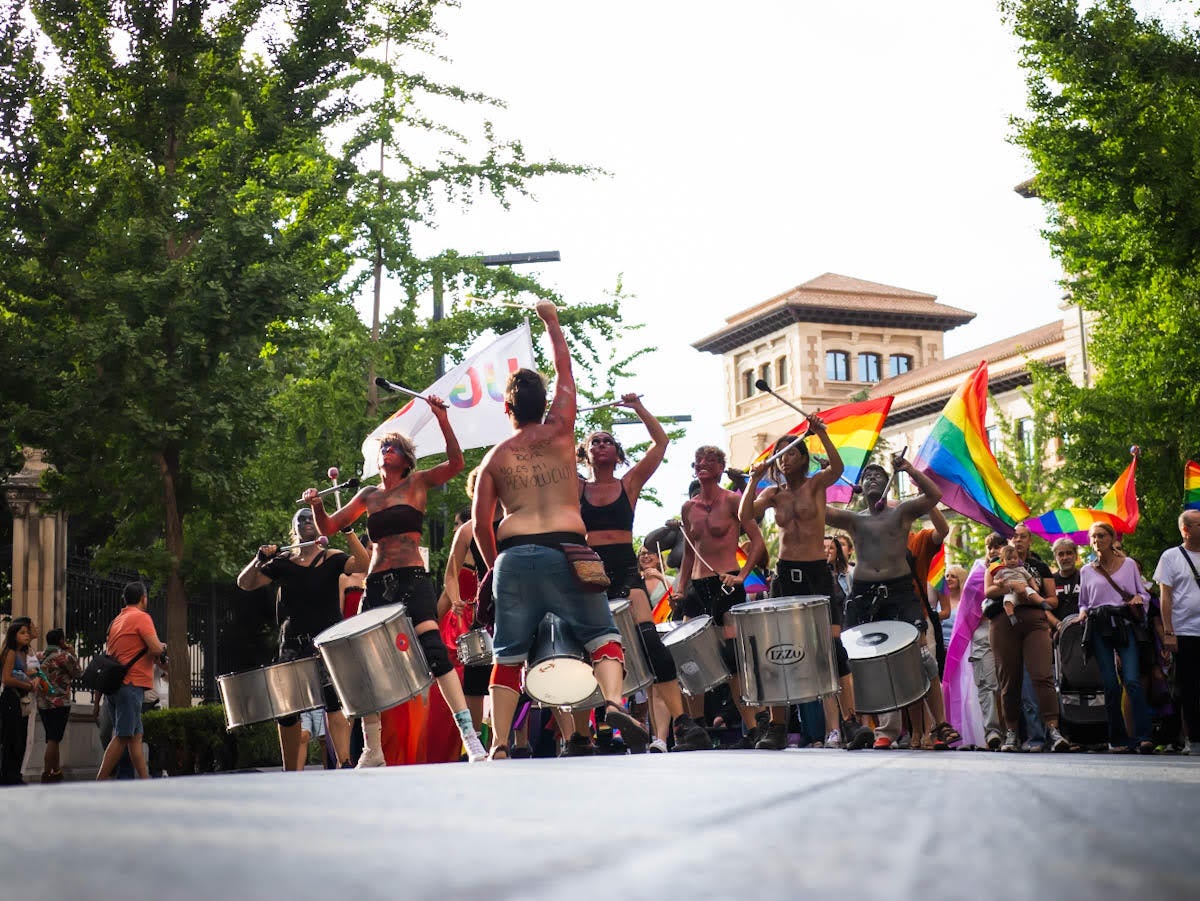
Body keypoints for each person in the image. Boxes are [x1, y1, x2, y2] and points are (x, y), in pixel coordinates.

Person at [472, 300, 649, 759]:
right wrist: (551, 320)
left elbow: (479, 522)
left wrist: (497, 568)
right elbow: (564, 367)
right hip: (570, 553)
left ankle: (500, 744)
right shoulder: (563, 430)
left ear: (508, 409)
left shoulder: (494, 458)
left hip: (514, 556)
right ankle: (611, 702)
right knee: (603, 636)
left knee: (507, 654)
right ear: (544, 403)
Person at [305, 396, 487, 765]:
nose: (386, 450)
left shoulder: (417, 484)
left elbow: (456, 463)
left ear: (405, 460)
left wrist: (441, 418)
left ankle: (470, 735)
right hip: (377, 584)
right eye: (383, 447)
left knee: (435, 652)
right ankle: (373, 749)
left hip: (412, 579)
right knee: (362, 662)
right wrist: (315, 504)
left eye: (393, 447)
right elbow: (327, 527)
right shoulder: (368, 495)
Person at [577, 397, 710, 754]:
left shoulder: (629, 483)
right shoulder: (575, 489)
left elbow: (661, 442)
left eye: (607, 441)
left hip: (623, 568)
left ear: (617, 453)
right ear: (585, 454)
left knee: (651, 645)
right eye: (595, 442)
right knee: (583, 650)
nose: (602, 444)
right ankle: (586, 734)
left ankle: (684, 724)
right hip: (588, 570)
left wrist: (637, 408)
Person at [742, 421, 870, 751]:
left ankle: (851, 723)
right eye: (780, 456)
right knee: (778, 648)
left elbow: (838, 466)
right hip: (785, 574)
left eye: (792, 453)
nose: (784, 460)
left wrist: (821, 432)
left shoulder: (817, 485)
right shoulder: (772, 494)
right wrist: (754, 479)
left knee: (832, 648)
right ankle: (778, 726)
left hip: (816, 573)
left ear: (803, 457)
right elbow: (745, 517)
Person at [825, 453, 940, 749]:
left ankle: (939, 726)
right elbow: (819, 512)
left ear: (888, 484)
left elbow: (934, 495)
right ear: (860, 487)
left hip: (899, 590)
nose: (873, 478)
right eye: (868, 476)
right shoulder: (853, 519)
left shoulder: (901, 513)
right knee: (853, 658)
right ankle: (862, 727)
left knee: (921, 657)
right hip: (863, 592)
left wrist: (909, 469)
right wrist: (826, 476)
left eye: (879, 475)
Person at [238, 508, 365, 770]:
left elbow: (363, 565)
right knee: (287, 710)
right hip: (293, 645)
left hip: (327, 644)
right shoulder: (282, 563)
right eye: (301, 520)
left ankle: (343, 763)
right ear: (293, 530)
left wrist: (347, 529)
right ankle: (290, 771)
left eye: (311, 519)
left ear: (320, 527)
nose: (307, 522)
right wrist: (258, 559)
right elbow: (245, 583)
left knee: (334, 701)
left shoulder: (332, 558)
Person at [675, 444, 768, 747]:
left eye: (711, 460)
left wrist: (742, 576)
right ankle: (697, 727)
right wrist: (679, 587)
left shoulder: (732, 501)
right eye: (699, 460)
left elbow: (757, 541)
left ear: (720, 467)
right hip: (697, 589)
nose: (703, 464)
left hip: (726, 584)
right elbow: (689, 552)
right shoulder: (689, 507)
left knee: (732, 658)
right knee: (690, 657)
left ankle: (753, 727)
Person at [984, 528, 1070, 753]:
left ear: (1030, 540)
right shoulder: (995, 564)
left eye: (1023, 536)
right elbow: (988, 591)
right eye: (1014, 536)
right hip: (1004, 621)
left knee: (1043, 675)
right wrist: (1012, 587)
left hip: (1034, 621)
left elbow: (1052, 601)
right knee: (1009, 680)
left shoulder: (1039, 567)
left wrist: (1030, 592)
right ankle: (1011, 732)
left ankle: (1053, 729)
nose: (1018, 540)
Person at [1078, 521, 1154, 753]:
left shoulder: (1128, 564)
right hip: (1099, 626)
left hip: (1124, 624)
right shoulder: (1086, 570)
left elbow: (1143, 593)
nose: (1097, 541)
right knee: (1110, 685)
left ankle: (1144, 737)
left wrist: (1140, 600)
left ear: (1111, 539)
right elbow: (1083, 602)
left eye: (1101, 536)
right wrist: (1081, 614)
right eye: (1093, 537)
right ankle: (1118, 739)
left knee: (1131, 680)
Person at [96, 582, 167, 780]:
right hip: (131, 684)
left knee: (135, 738)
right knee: (123, 736)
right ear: (144, 598)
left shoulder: (117, 620)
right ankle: (99, 781)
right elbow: (155, 649)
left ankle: (145, 782)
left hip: (116, 684)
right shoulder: (141, 617)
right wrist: (163, 648)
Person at [1155, 509, 1200, 755]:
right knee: (1189, 687)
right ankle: (1194, 739)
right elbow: (1166, 595)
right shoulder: (1171, 557)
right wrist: (1169, 631)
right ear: (1186, 530)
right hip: (1185, 631)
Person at [35, 628, 80, 783]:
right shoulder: (64, 657)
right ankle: (46, 773)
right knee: (54, 739)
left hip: (42, 703)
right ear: (61, 640)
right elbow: (78, 672)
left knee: (52, 738)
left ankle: (56, 771)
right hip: (60, 703)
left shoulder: (39, 656)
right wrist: (73, 653)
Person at [0, 620, 39, 784]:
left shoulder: (23, 653)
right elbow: (7, 679)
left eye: (27, 632)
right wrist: (27, 686)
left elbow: (24, 672)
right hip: (11, 698)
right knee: (11, 738)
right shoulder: (10, 653)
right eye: (22, 633)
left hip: (21, 699)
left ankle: (15, 775)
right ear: (13, 635)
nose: (27, 635)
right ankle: (8, 776)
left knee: (21, 738)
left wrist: (34, 679)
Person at [1049, 538, 1082, 632]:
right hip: (1059, 633)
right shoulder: (1050, 581)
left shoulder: (1086, 577)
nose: (1065, 557)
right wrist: (1057, 624)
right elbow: (1045, 609)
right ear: (1055, 557)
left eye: (1069, 553)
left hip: (1084, 631)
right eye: (1061, 554)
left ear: (1076, 556)